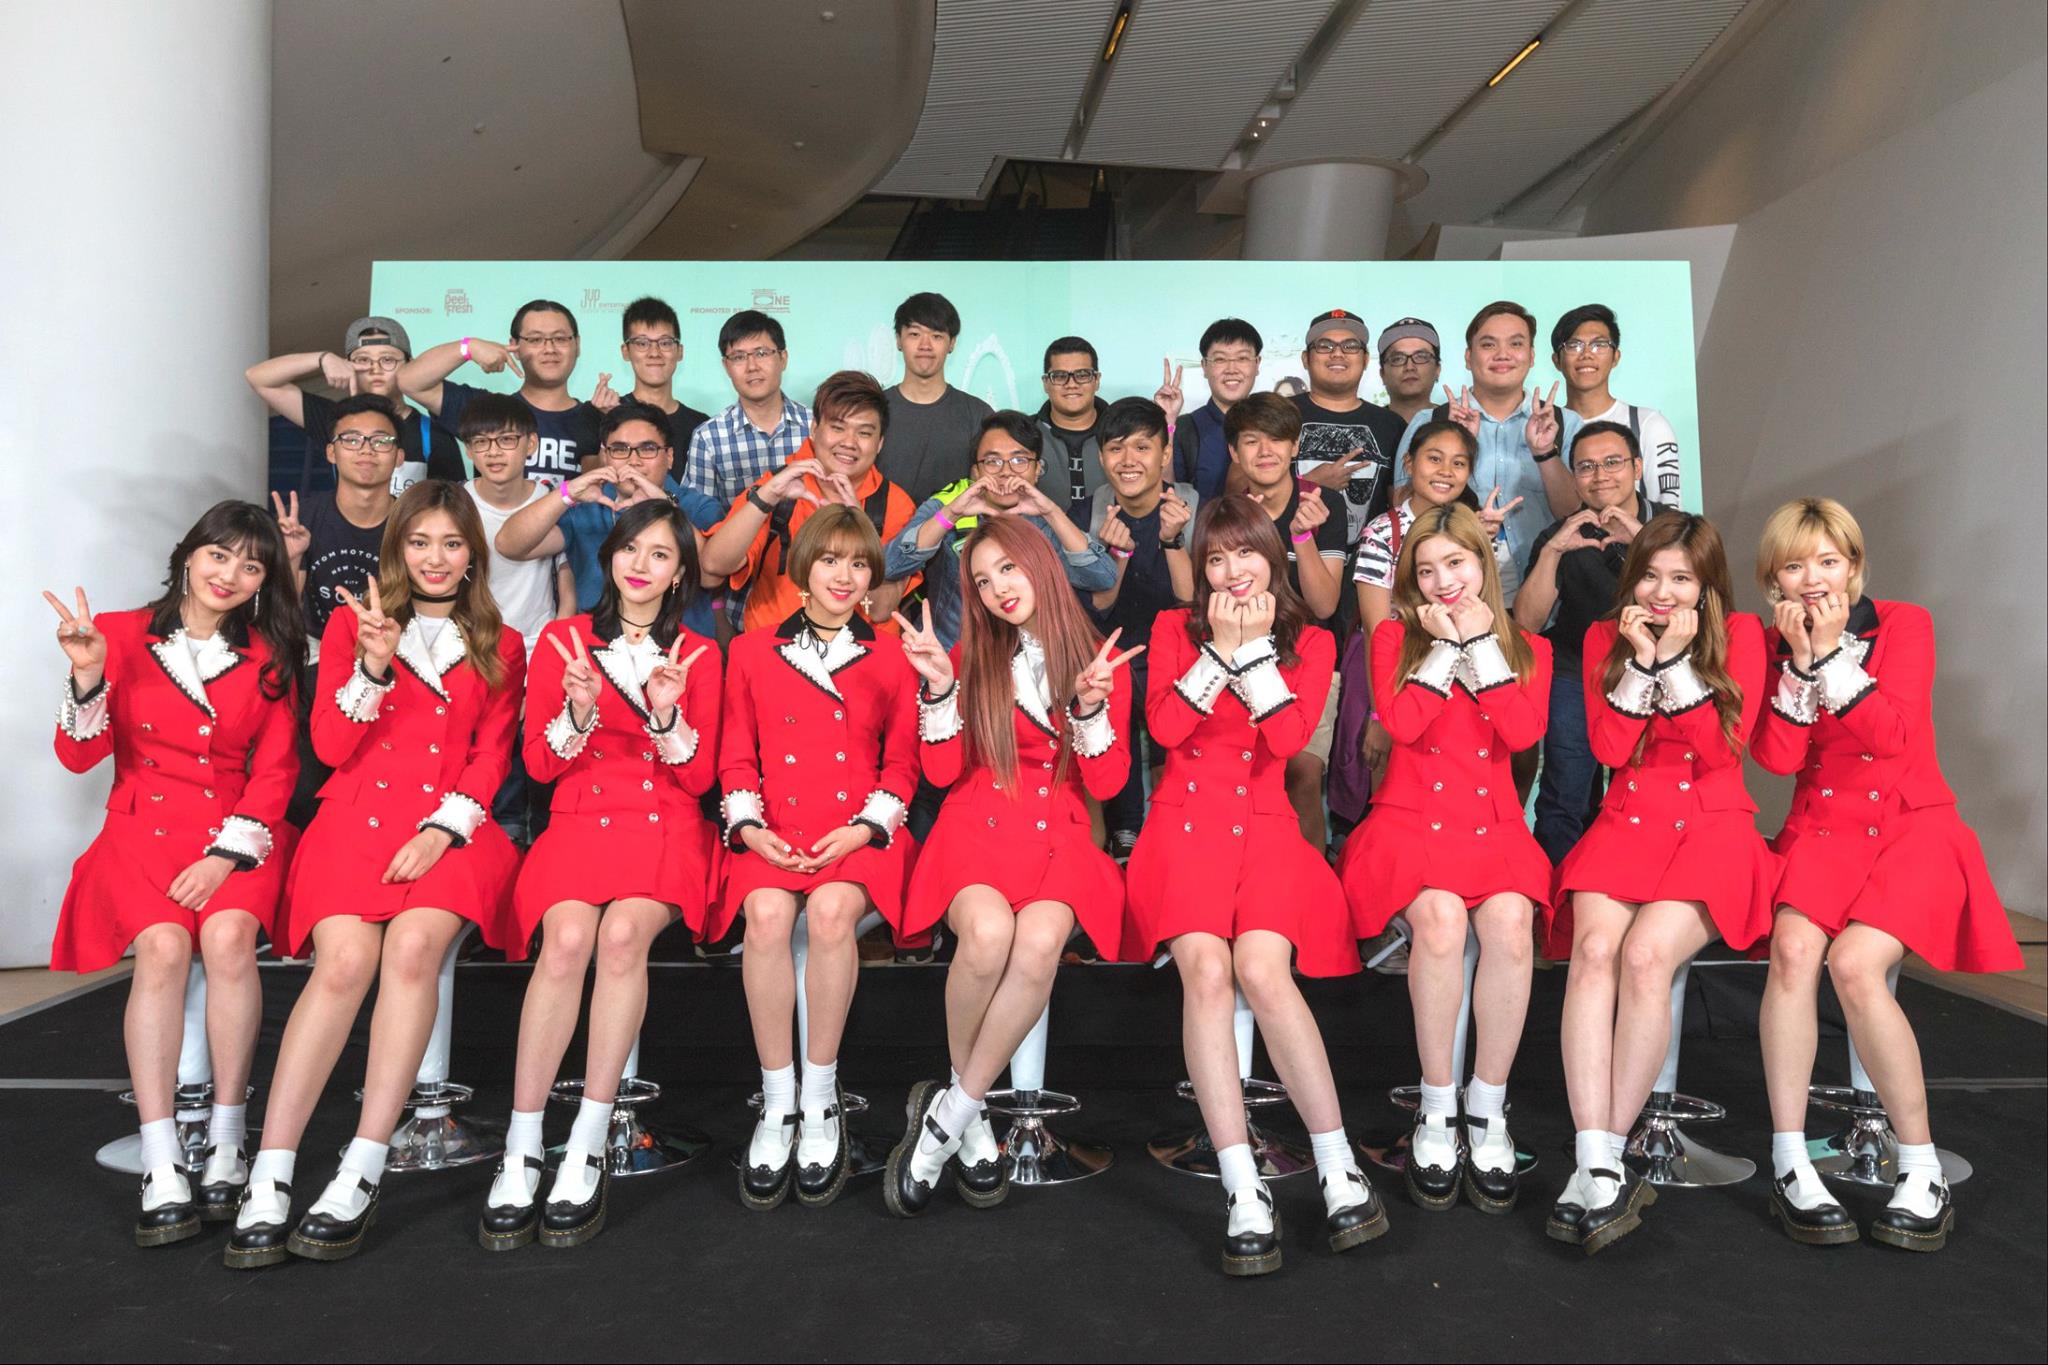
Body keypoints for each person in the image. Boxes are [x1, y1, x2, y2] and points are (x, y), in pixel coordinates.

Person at [226, 482, 526, 1269]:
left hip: (452, 831)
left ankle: (361, 1168)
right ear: (397, 549)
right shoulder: (349, 625)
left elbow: (491, 757)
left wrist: (439, 831)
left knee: (414, 950)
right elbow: (328, 745)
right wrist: (373, 663)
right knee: (344, 964)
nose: (435, 557)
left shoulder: (503, 641)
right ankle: (271, 1171)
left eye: (451, 543)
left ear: (472, 555)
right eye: (419, 541)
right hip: (354, 820)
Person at [1751, 498, 2020, 1252]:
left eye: (1828, 561)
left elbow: (1894, 734)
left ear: (1854, 566)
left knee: (1854, 965)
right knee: (1792, 952)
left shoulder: (1906, 624)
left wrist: (1830, 657)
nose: (1813, 578)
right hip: (1823, 829)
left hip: (1911, 826)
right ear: (1774, 579)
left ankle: (1921, 1168)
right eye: (1795, 565)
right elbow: (1775, 757)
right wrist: (1800, 660)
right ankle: (1790, 1161)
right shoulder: (1773, 645)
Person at [1127, 496, 1385, 1274]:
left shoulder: (1312, 640)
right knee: (1207, 972)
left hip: (1268, 827)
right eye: (1215, 558)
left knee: (1264, 970)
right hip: (1185, 826)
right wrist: (1220, 652)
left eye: (1246, 554)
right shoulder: (1173, 630)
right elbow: (1165, 731)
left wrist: (1253, 654)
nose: (1232, 571)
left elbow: (1286, 739)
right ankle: (1242, 1185)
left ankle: (1338, 1166)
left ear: (1273, 559)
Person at [46, 502, 304, 1247]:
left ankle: (227, 1135)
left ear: (263, 581)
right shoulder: (118, 633)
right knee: (161, 949)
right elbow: (77, 758)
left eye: (251, 565)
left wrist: (224, 856)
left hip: (234, 833)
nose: (230, 574)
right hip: (140, 830)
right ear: (188, 555)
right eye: (219, 555)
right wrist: (87, 674)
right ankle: (161, 1158)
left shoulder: (271, 655)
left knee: (228, 940)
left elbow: (276, 771)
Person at [477, 499, 721, 1251]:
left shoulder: (701, 655)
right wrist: (580, 712)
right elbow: (539, 766)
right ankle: (523, 1143)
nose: (641, 565)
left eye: (660, 554)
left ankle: (586, 1138)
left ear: (679, 574)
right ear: (609, 557)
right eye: (630, 549)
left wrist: (666, 713)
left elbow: (699, 778)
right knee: (566, 940)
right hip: (579, 819)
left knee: (619, 937)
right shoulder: (563, 640)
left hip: (664, 823)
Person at [882, 518, 1140, 1217]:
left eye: (1009, 569)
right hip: (978, 823)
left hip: (1059, 833)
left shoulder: (1098, 658)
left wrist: (1090, 706)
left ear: (1040, 565)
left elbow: (1109, 783)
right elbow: (940, 772)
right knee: (989, 933)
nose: (998, 588)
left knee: (1041, 940)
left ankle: (950, 1114)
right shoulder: (968, 653)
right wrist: (940, 688)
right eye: (983, 579)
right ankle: (969, 1125)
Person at [1547, 512, 1776, 1256]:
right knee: (1593, 952)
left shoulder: (1741, 634)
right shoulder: (1602, 638)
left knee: (1645, 957)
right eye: (1649, 575)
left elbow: (1723, 750)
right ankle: (1597, 1159)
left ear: (1707, 585)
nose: (1662, 592)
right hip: (1628, 818)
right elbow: (1612, 747)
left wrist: (1674, 663)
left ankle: (1605, 1156)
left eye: (1681, 578)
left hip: (1712, 825)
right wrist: (1641, 663)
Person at [1337, 503, 1551, 1215]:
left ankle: (1487, 1108)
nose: (1441, 580)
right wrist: (1442, 648)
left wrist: (1480, 643)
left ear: (1481, 562)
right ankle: (1435, 1108)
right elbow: (1402, 724)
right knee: (1439, 920)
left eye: (1454, 563)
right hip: (1407, 822)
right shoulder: (1394, 637)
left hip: (1492, 826)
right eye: (1425, 570)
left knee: (1511, 924)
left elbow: (1522, 733)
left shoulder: (1529, 648)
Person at [716, 507, 920, 1212]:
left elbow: (903, 767)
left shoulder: (891, 654)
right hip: (772, 829)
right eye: (830, 559)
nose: (844, 575)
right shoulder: (751, 651)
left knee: (832, 913)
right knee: (767, 917)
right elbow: (736, 755)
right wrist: (749, 828)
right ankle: (778, 1100)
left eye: (859, 563)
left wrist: (863, 828)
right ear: (803, 568)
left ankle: (822, 1096)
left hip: (857, 832)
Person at [1514, 421, 1674, 862]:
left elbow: (1705, 600)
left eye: (1612, 463)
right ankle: (1559, 893)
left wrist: (1644, 543)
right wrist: (1553, 551)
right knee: (1565, 793)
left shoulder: (1675, 528)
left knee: (1645, 790)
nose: (1600, 476)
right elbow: (1527, 622)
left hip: (1659, 670)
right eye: (1585, 467)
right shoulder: (1563, 532)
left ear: (1637, 467)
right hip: (1576, 671)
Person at [1352, 419, 1518, 780]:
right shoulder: (1382, 532)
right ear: (1409, 463)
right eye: (1434, 458)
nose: (1446, 471)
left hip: (1471, 676)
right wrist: (1379, 714)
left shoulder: (1473, 530)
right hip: (1404, 677)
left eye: (1459, 463)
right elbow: (1377, 632)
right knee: (1399, 784)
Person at [701, 371, 920, 634]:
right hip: (775, 647)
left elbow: (881, 608)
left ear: (880, 443)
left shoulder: (895, 504)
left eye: (864, 433)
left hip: (860, 652)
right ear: (814, 430)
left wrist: (860, 524)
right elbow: (714, 565)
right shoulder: (777, 485)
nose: (849, 443)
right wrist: (767, 497)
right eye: (837, 428)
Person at [491, 400, 727, 639]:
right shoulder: (587, 507)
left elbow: (711, 578)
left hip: (679, 646)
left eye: (647, 449)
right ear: (605, 456)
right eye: (620, 449)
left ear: (669, 457)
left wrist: (666, 504)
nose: (633, 460)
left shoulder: (699, 507)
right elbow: (509, 546)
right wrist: (566, 492)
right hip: (595, 649)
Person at [886, 411, 1118, 648]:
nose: (1006, 472)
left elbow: (1103, 578)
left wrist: (1052, 513)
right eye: (993, 461)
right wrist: (952, 514)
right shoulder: (946, 505)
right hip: (948, 651)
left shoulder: (1045, 516)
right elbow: (890, 566)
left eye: (1019, 460)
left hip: (1025, 656)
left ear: (1037, 470)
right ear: (976, 472)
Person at [1226, 393, 1346, 851]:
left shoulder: (1322, 502)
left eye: (1277, 439)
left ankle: (1312, 881)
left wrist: (1303, 537)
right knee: (1244, 779)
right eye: (1251, 441)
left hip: (1308, 661)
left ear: (1295, 446)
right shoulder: (1229, 511)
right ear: (1235, 452)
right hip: (1240, 661)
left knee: (1301, 774)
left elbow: (1325, 605)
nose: (1265, 451)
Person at [1395, 301, 1580, 597]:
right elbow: (1403, 512)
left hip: (1546, 596)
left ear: (1532, 356)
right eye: (1488, 344)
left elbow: (1572, 513)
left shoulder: (1564, 423)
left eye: (1516, 344)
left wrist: (1545, 453)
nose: (1502, 354)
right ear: (1468, 357)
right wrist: (1455, 445)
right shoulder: (1430, 422)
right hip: (1451, 593)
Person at [1083, 397, 1196, 859]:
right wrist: (1117, 556)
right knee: (1112, 691)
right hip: (1113, 653)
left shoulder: (1191, 506)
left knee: (1177, 728)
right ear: (1101, 457)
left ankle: (1175, 824)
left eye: (1142, 447)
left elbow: (1192, 603)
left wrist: (1173, 540)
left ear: (1165, 454)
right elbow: (1097, 607)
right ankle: (1124, 833)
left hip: (1178, 653)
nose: (1128, 460)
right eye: (1115, 448)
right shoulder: (1089, 513)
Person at [245, 315, 464, 494]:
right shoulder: (334, 420)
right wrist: (323, 358)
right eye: (363, 360)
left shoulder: (433, 434)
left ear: (409, 364)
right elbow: (258, 378)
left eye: (388, 360)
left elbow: (456, 506)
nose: (375, 369)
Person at [397, 298, 598, 480]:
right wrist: (468, 347)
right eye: (535, 340)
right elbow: (409, 381)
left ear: (577, 344)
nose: (549, 349)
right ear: (514, 346)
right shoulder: (484, 411)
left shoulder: (598, 420)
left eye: (560, 338)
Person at [274, 394, 401, 650]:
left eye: (380, 441)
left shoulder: (415, 522)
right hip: (317, 647)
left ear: (399, 456)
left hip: (396, 644)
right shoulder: (301, 520)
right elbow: (283, 612)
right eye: (352, 440)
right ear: (331, 452)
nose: (366, 449)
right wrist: (291, 558)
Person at [458, 394, 566, 658]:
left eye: (506, 439)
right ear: (469, 450)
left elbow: (567, 577)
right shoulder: (456, 503)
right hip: (470, 643)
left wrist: (556, 640)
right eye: (481, 442)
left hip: (537, 645)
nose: (493, 452)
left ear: (531, 444)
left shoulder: (553, 500)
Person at [1290, 310, 1408, 544]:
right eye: (1324, 345)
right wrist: (1309, 483)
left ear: (1365, 359)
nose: (1337, 353)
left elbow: (1402, 505)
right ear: (1305, 358)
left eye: (1350, 346)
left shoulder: (1391, 425)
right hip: (1285, 558)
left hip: (1366, 562)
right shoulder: (1276, 413)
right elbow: (1239, 489)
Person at [681, 310, 814, 514]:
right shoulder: (709, 438)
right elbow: (696, 516)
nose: (752, 367)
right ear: (726, 366)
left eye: (761, 354)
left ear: (783, 358)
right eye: (739, 357)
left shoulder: (815, 426)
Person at [1552, 304, 1682, 508]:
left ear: (1616, 357)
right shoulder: (1544, 431)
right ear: (1556, 361)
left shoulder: (1647, 424)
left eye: (1599, 344)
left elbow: (1670, 512)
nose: (1587, 354)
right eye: (1574, 345)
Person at [881, 291, 995, 503]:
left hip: (956, 525)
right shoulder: (874, 409)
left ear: (952, 343)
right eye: (915, 334)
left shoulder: (978, 414)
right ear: (898, 340)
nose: (925, 345)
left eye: (937, 336)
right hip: (882, 524)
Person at [583, 296, 711, 460]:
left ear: (679, 351)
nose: (654, 353)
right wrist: (612, 421)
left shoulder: (701, 426)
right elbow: (589, 473)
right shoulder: (600, 412)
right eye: (642, 343)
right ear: (625, 351)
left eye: (665, 343)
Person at [1172, 319, 1262, 501]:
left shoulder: (1274, 424)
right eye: (1220, 359)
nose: (1232, 369)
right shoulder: (1184, 429)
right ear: (1204, 366)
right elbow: (1167, 494)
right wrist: (1168, 421)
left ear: (1257, 364)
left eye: (1242, 358)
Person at [1035, 336, 1109, 504]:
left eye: (1082, 375)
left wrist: (1167, 421)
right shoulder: (1024, 435)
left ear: (1097, 380)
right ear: (1046, 383)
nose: (1071, 384)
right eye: (1060, 376)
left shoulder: (1124, 432)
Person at [1376, 318, 1443, 428]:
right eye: (1397, 359)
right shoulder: (1368, 427)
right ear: (1382, 373)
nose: (1409, 367)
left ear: (1437, 369)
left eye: (1421, 357)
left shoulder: (1455, 423)